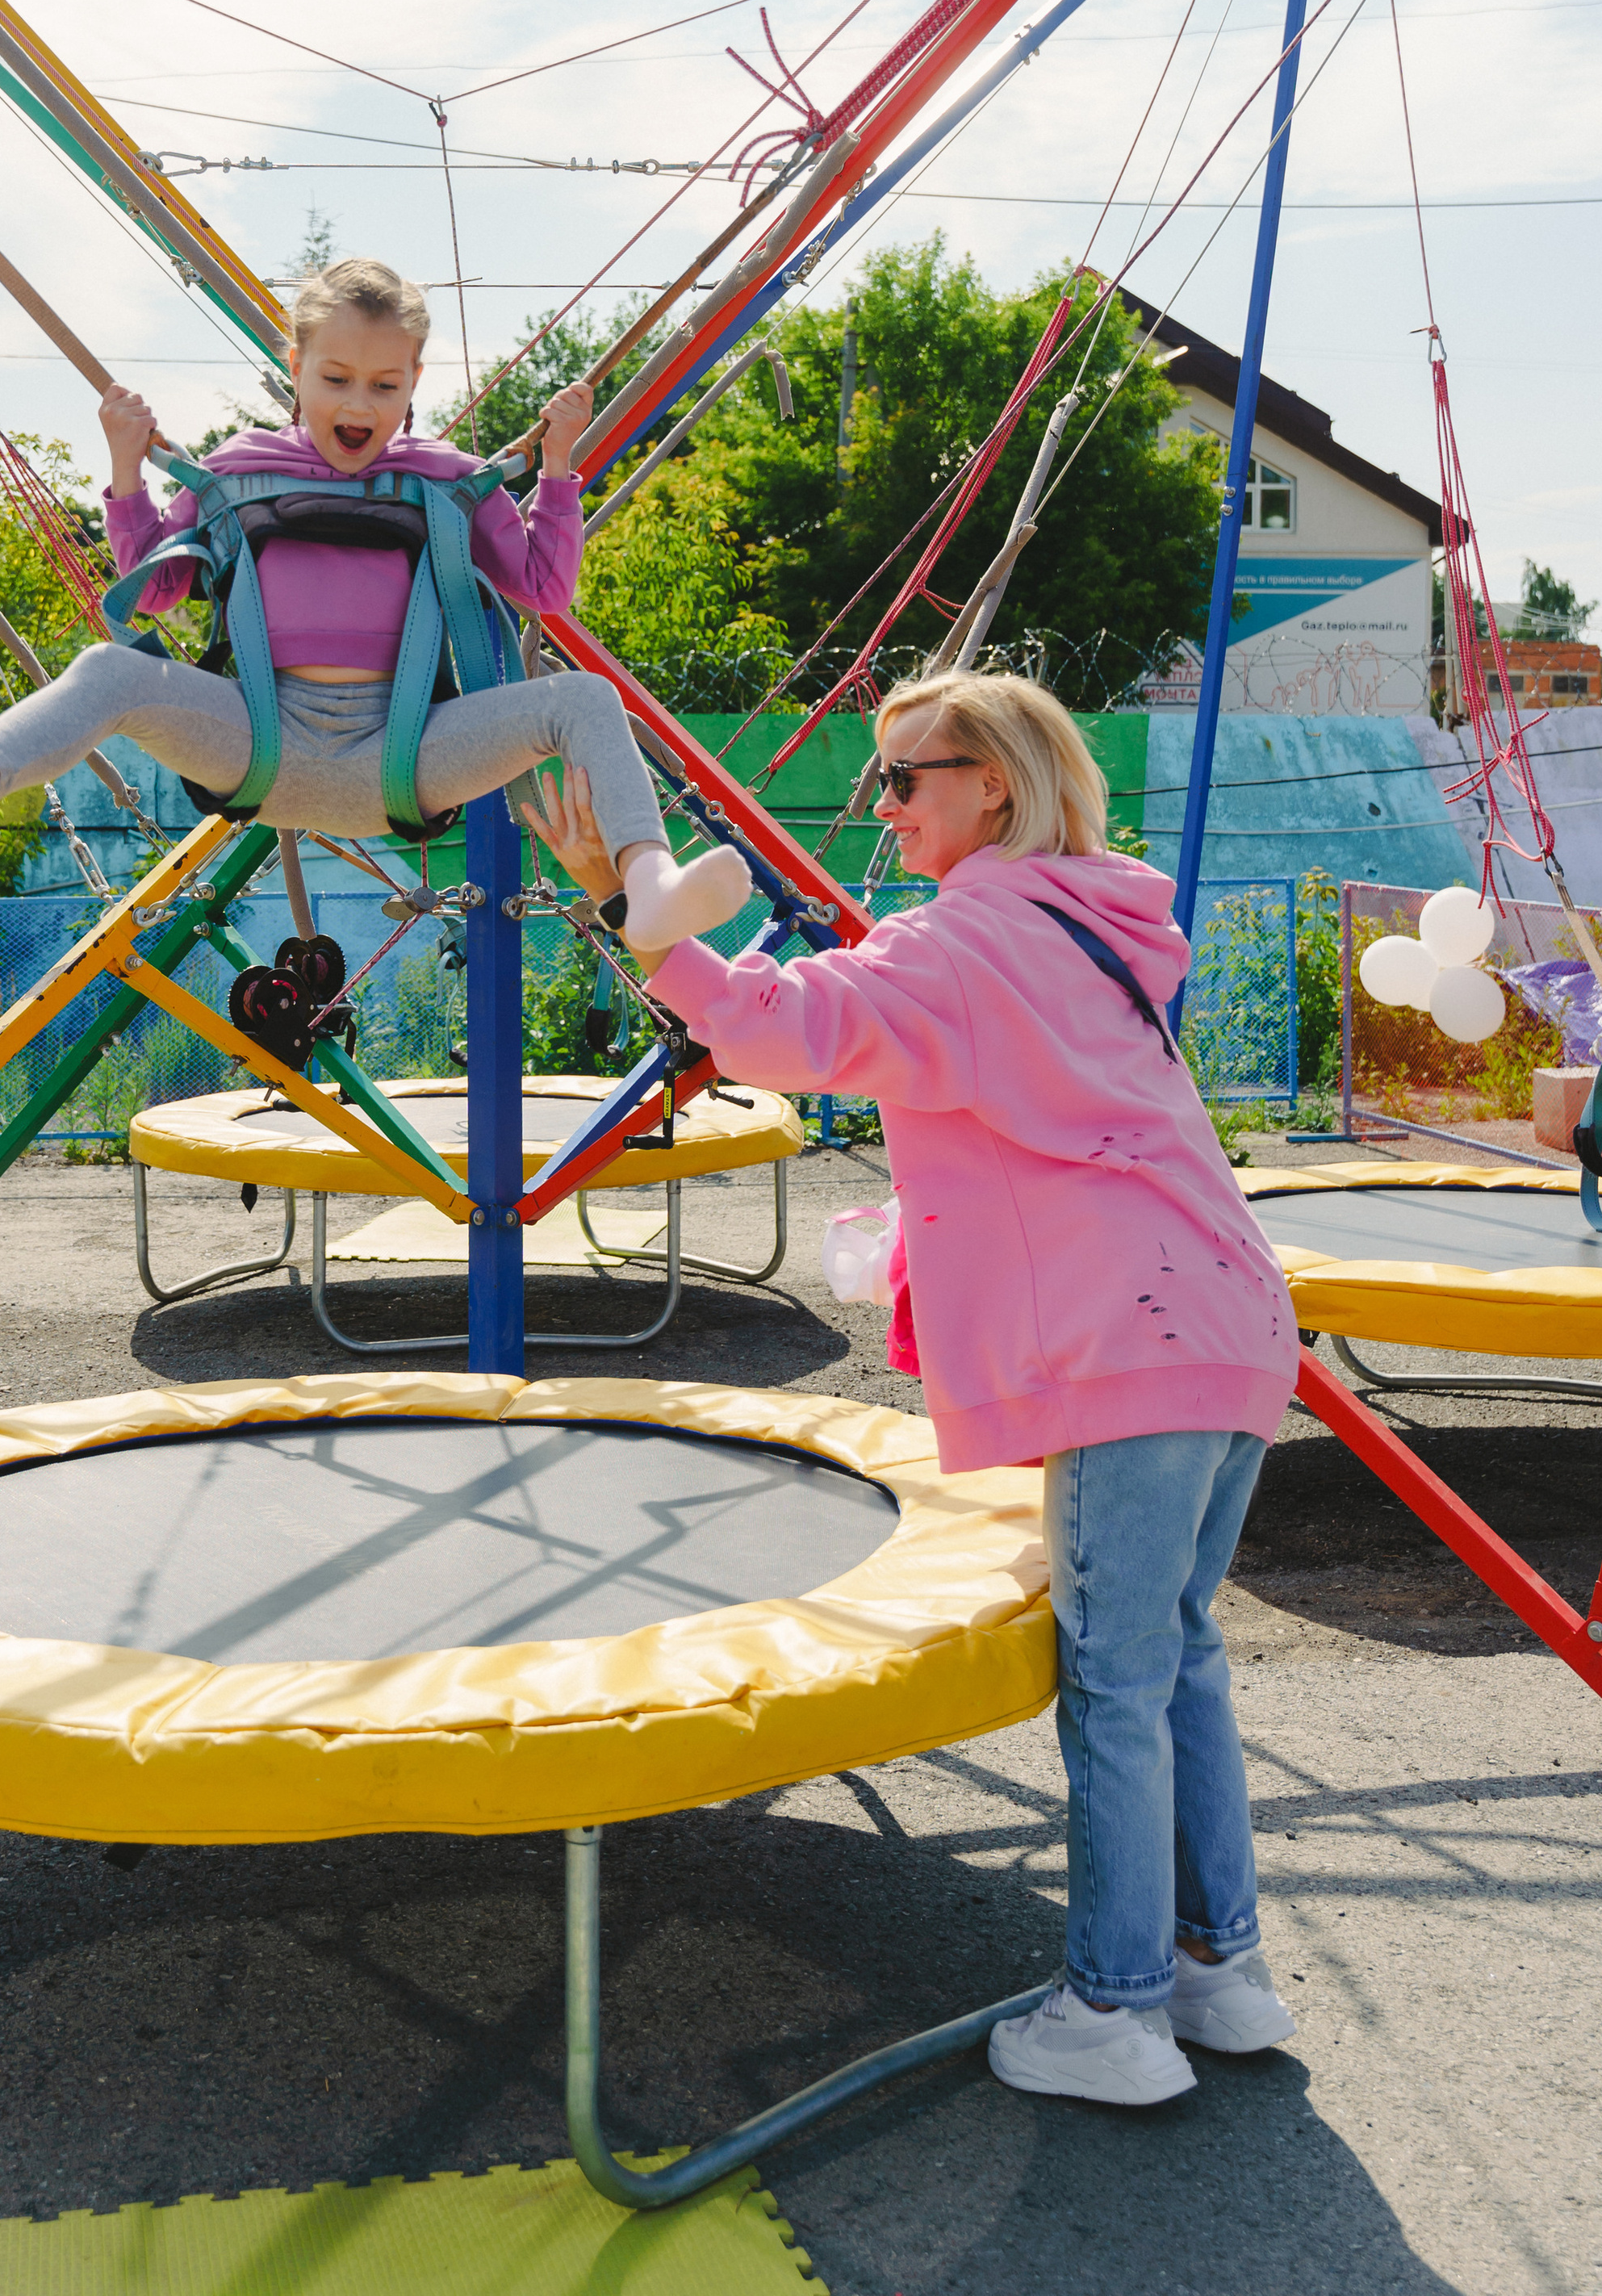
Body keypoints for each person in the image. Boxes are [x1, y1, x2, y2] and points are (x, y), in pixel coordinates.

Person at [527, 669, 1300, 2108]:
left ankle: (1116, 2011)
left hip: (1124, 1335)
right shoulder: (1101, 921)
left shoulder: (968, 946)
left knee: (1117, 1682)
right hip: (1233, 1318)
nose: (884, 808)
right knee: (1178, 1653)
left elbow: (768, 1027)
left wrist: (632, 910)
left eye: (906, 778)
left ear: (991, 783)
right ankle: (1218, 1968)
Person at [0, 255, 749, 944]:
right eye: (337, 379)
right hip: (257, 742)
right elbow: (154, 590)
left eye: (385, 386)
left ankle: (649, 888)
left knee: (585, 698)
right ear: (297, 367)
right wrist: (126, 468)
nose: (360, 403)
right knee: (110, 669)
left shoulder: (449, 480)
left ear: (415, 384)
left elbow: (544, 589)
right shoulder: (239, 469)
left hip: (406, 755)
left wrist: (555, 472)